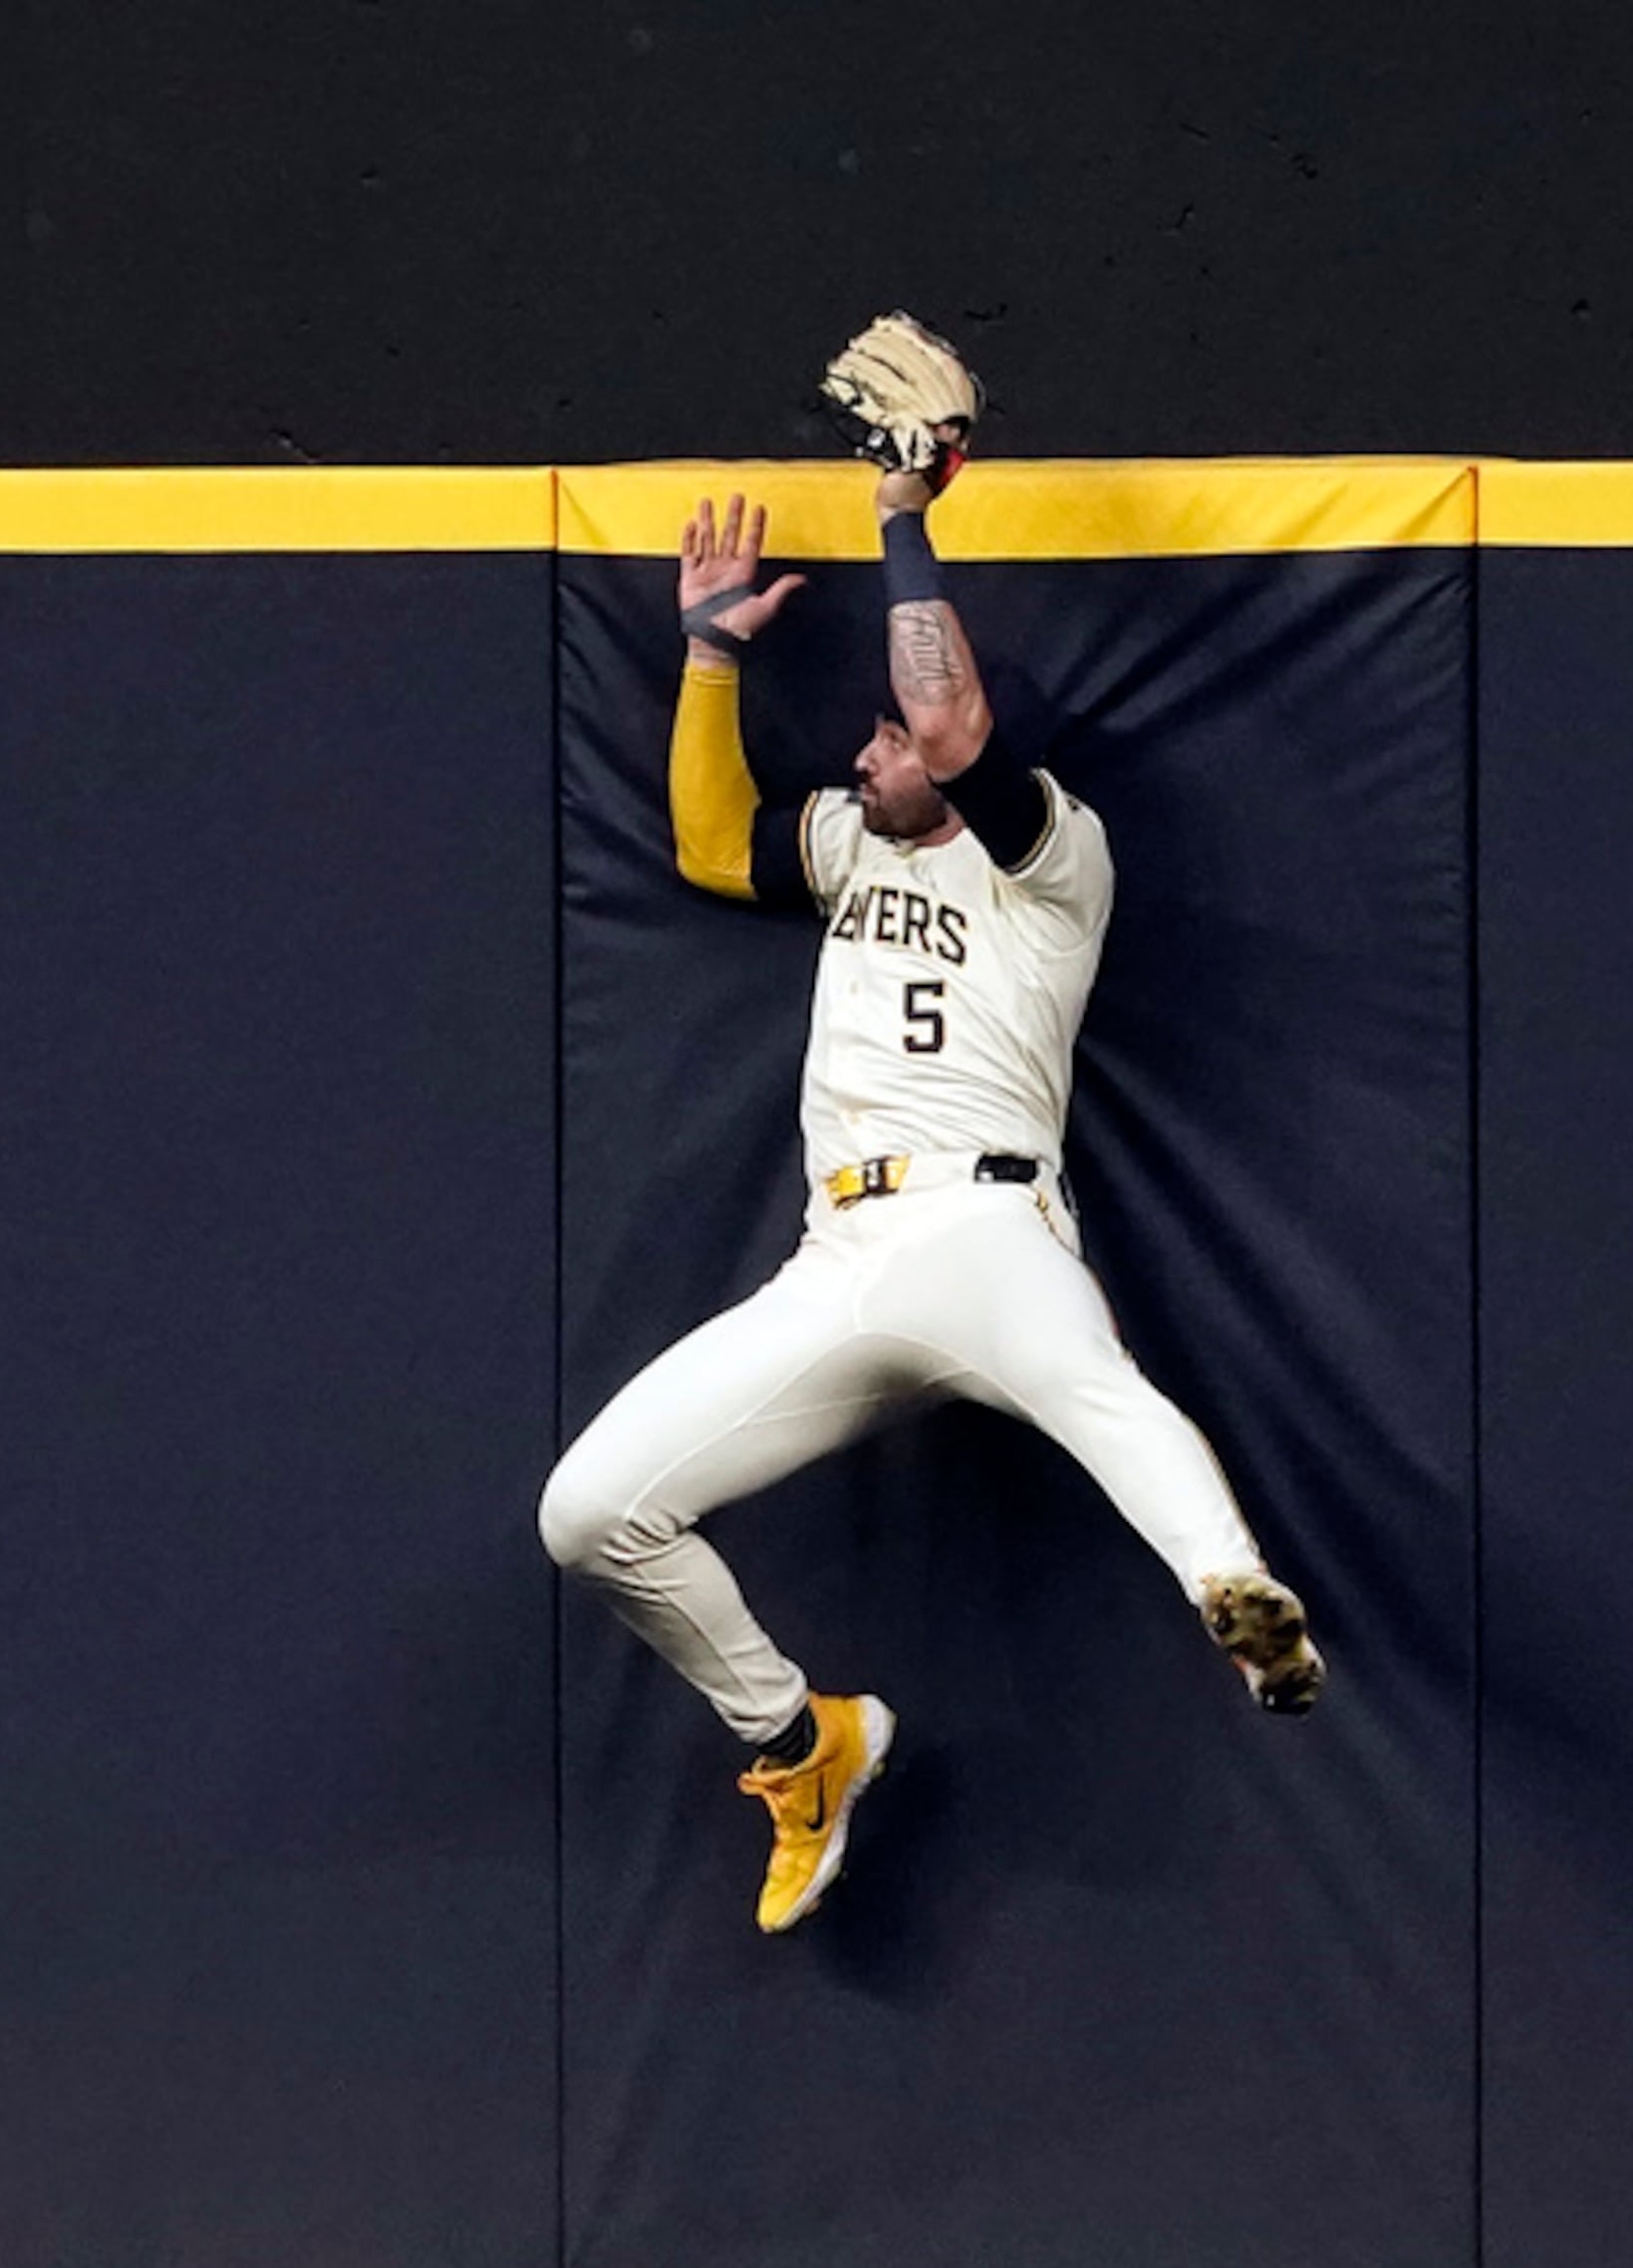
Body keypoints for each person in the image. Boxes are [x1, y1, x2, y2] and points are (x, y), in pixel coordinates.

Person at [536, 463, 1323, 1935]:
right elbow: (712, 842)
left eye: (886, 737)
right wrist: (710, 655)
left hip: (986, 1222)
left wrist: (904, 515)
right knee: (587, 1511)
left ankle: (1241, 1600)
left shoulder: (1052, 863)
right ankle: (799, 1740)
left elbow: (956, 728)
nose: (867, 750)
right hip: (841, 1256)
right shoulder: (847, 844)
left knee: (1096, 1386)